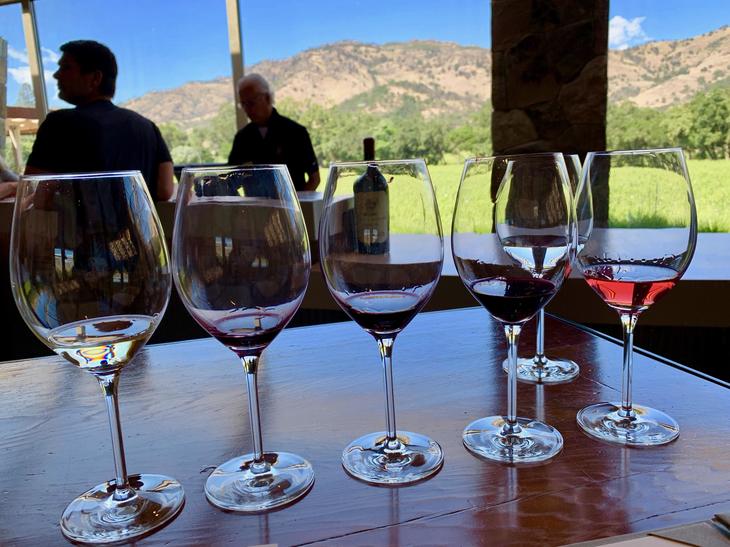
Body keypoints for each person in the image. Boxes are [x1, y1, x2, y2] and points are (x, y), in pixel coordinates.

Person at [23, 40, 175, 201]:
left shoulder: (59, 123)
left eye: (66, 67)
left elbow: (34, 191)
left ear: (95, 78)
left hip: (77, 219)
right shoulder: (148, 127)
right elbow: (165, 190)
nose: (56, 75)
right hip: (139, 218)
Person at [228, 73, 320, 192]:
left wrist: (296, 202)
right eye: (243, 104)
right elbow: (230, 179)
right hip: (255, 204)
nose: (247, 109)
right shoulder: (242, 138)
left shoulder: (296, 132)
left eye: (251, 102)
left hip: (291, 203)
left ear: (267, 98)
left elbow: (314, 178)